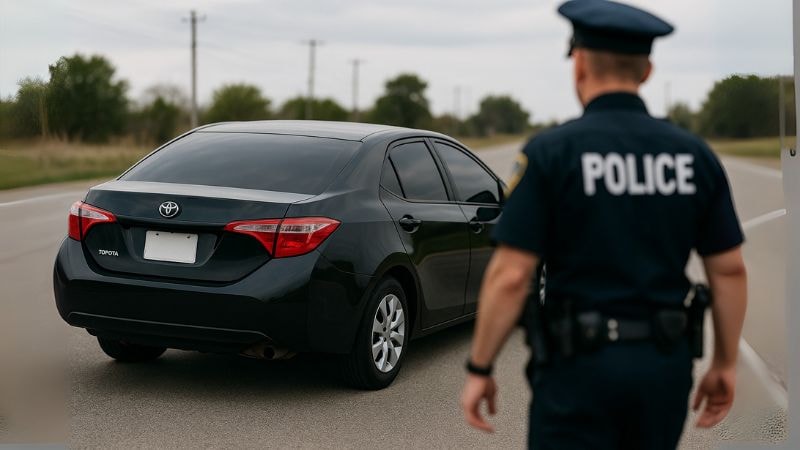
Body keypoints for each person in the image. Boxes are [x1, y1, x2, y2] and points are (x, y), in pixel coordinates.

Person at [460, 1, 748, 449]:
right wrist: (725, 364)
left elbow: (512, 275)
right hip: (662, 367)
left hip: (577, 371)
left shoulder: (551, 153)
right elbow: (729, 270)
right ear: (647, 71)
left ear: (578, 64)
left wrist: (481, 367)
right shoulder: (694, 156)